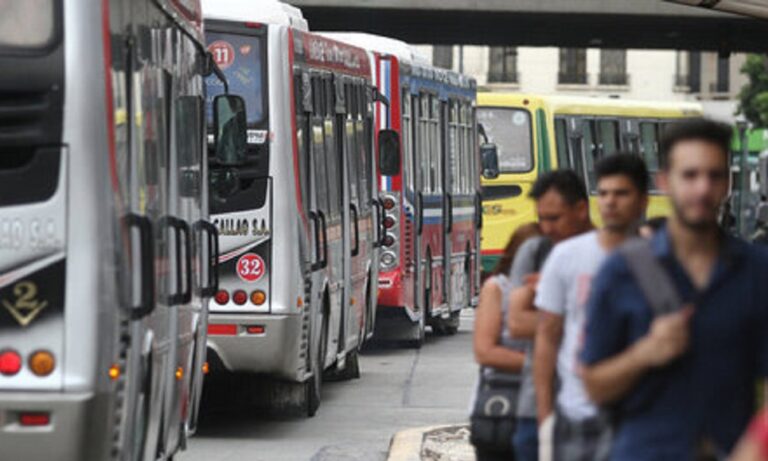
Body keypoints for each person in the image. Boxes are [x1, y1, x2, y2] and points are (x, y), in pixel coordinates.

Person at [580, 118, 768, 460]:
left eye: (714, 176)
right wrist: (644, 353)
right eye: (690, 175)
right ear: (665, 181)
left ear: (728, 183)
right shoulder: (620, 272)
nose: (702, 189)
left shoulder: (757, 271)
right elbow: (593, 385)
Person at [533, 154, 650, 461]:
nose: (611, 202)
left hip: (640, 417)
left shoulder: (659, 261)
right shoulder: (566, 256)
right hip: (577, 415)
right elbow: (547, 336)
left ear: (643, 201)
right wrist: (545, 421)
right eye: (605, 193)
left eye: (622, 193)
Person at [505, 170, 594, 461]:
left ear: (581, 209)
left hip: (595, 410)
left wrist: (550, 311)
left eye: (554, 218)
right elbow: (517, 323)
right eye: (541, 218)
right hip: (535, 409)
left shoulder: (609, 254)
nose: (546, 228)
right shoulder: (535, 251)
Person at [472, 223, 541, 461]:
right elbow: (485, 352)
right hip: (505, 406)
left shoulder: (556, 287)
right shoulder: (498, 288)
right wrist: (544, 365)